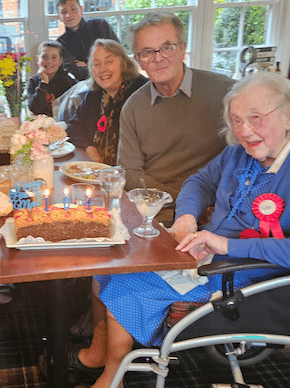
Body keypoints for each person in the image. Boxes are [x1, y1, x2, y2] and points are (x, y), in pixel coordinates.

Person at [76, 71, 290, 388]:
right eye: (237, 121)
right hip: (206, 252)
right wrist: (187, 215)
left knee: (126, 286)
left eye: (256, 118)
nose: (245, 131)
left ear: (287, 116)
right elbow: (199, 182)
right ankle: (102, 355)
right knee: (106, 268)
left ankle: (112, 376)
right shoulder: (237, 153)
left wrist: (225, 245)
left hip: (249, 276)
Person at [117, 12, 236, 225]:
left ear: (182, 48)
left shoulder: (225, 92)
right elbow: (131, 174)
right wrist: (187, 202)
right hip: (157, 213)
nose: (158, 58)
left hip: (216, 215)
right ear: (138, 61)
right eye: (147, 52)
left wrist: (205, 203)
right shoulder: (133, 107)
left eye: (167, 48)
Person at [66, 39, 148, 165]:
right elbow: (74, 126)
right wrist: (90, 148)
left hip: (133, 173)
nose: (102, 69)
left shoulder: (142, 92)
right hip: (96, 172)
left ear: (123, 63)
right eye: (96, 64)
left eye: (109, 61)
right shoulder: (95, 93)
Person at [56, 0, 119, 81]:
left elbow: (118, 56)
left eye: (73, 9)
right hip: (88, 86)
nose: (68, 15)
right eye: (64, 12)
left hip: (116, 78)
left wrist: (86, 64)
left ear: (81, 10)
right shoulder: (61, 43)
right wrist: (103, 63)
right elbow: (78, 73)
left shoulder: (100, 25)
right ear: (59, 17)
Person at [26, 40, 76, 117]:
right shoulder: (33, 81)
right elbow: (35, 109)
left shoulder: (69, 81)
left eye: (54, 57)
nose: (49, 61)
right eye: (44, 57)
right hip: (40, 124)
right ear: (38, 59)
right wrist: (44, 82)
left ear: (60, 61)